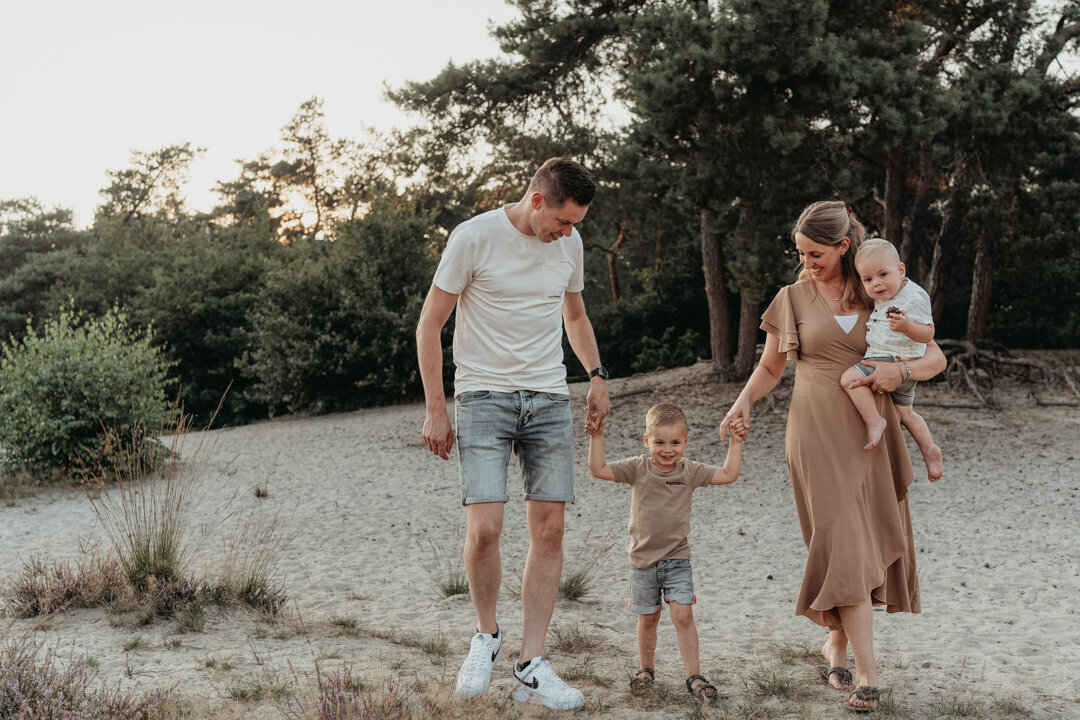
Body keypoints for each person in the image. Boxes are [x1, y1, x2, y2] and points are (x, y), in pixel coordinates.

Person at [718, 201, 946, 713]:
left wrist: (901, 375)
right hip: (815, 431)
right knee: (841, 539)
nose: (807, 262)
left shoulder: (879, 287)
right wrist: (742, 402)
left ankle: (837, 645)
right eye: (800, 252)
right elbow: (771, 368)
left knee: (859, 542)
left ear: (844, 246)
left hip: (874, 436)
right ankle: (869, 670)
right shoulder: (791, 297)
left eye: (816, 253)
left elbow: (935, 357)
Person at [415, 157, 611, 711]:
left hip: (549, 397)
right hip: (483, 398)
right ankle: (486, 636)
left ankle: (531, 663)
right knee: (485, 529)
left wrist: (595, 375)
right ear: (538, 200)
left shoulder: (569, 247)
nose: (569, 234)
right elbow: (430, 322)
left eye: (577, 224)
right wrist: (436, 409)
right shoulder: (474, 237)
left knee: (549, 531)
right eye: (564, 221)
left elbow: (574, 314)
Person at [586, 403, 745, 701]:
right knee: (648, 619)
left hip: (677, 560)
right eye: (659, 442)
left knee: (683, 615)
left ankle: (694, 676)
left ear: (686, 442)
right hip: (642, 562)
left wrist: (736, 443)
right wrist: (597, 437)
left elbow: (728, 474)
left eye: (675, 442)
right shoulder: (637, 467)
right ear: (647, 441)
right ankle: (646, 671)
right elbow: (599, 469)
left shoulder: (690, 471)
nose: (667, 449)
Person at [839, 238, 944, 481]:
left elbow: (928, 334)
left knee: (849, 379)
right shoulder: (887, 294)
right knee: (906, 415)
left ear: (901, 270)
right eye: (867, 279)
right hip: (904, 367)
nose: (876, 284)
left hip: (887, 359)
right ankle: (930, 450)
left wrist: (908, 327)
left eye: (882, 274)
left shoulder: (914, 297)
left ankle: (875, 422)